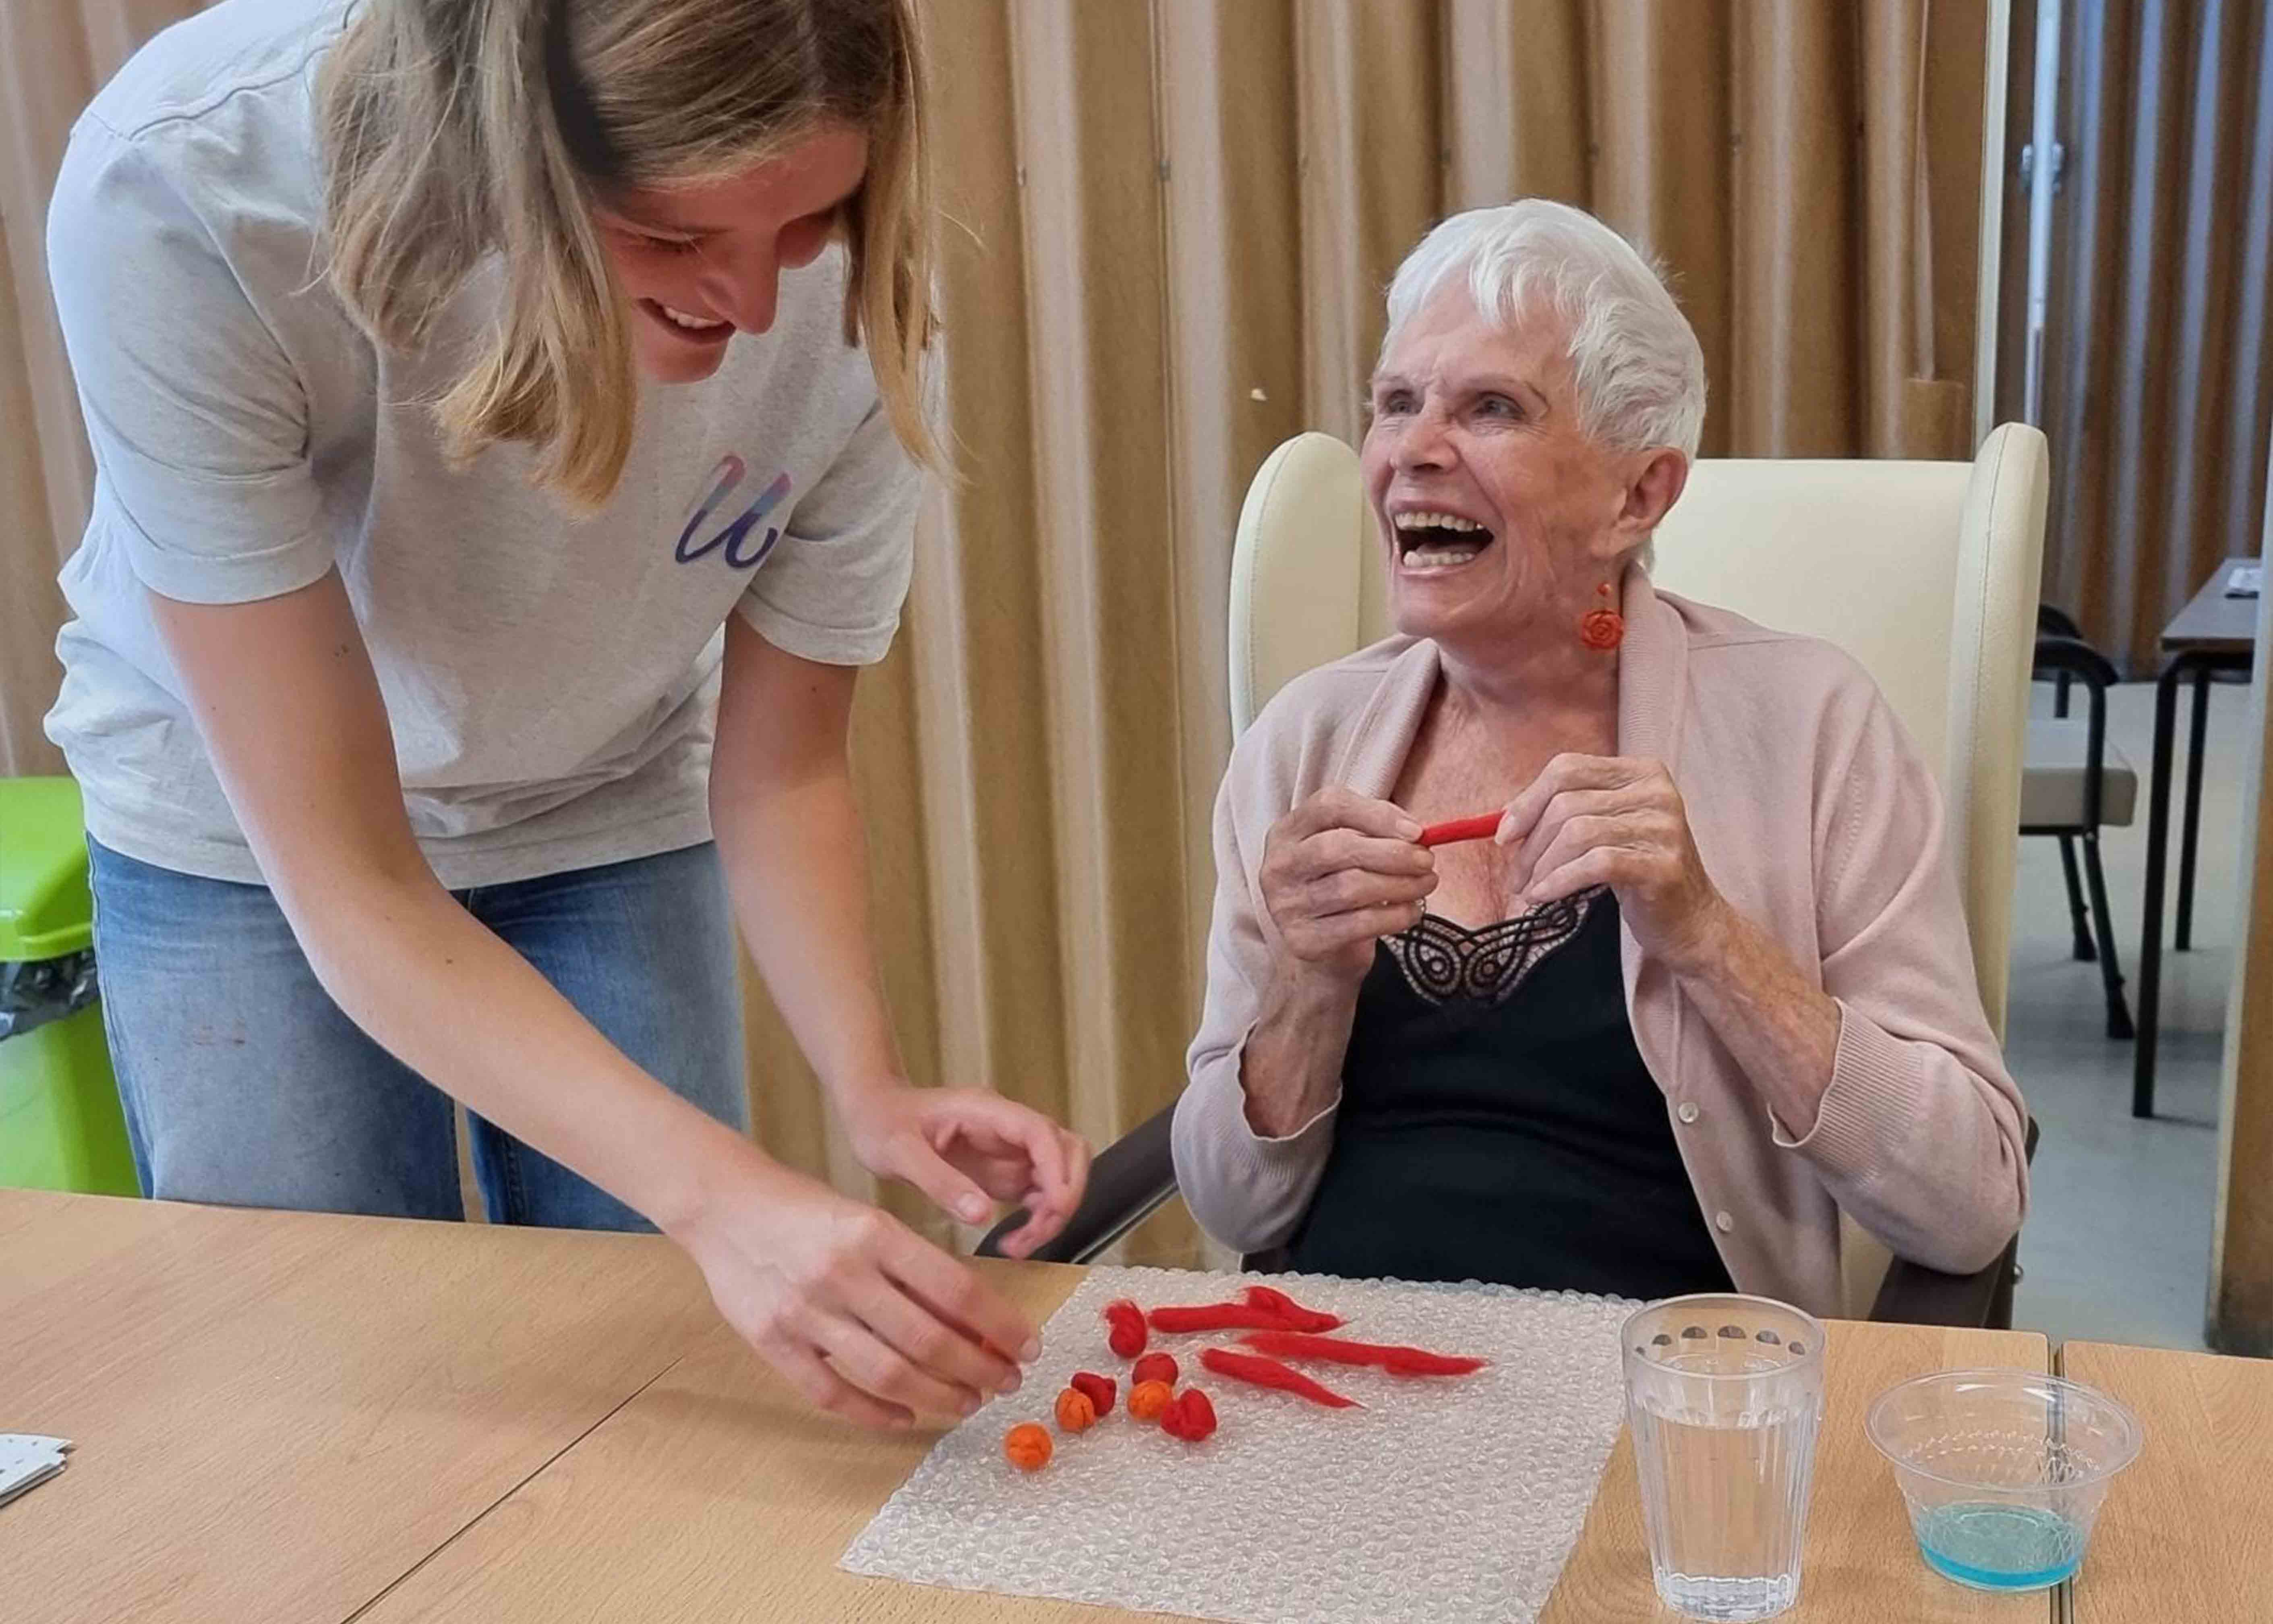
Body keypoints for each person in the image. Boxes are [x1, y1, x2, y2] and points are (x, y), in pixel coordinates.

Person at [43, 0, 1087, 1429]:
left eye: (802, 224)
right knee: (320, 1377)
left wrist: (868, 1087)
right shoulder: (185, 186)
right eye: (671, 239)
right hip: (250, 837)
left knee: (654, 1374)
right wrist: (726, 1200)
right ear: (507, 161)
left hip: (601, 794)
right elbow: (352, 881)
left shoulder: (849, 306)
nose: (753, 308)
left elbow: (780, 772)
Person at [1170, 200, 2028, 1316]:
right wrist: (1305, 983)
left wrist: (1709, 940)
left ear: (1638, 495)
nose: (1411, 453)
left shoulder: (1811, 722)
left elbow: (1968, 1199)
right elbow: (1232, 1210)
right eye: (1394, 404)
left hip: (1668, 1406)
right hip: (1337, 1380)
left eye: (1490, 408)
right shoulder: (1305, 737)